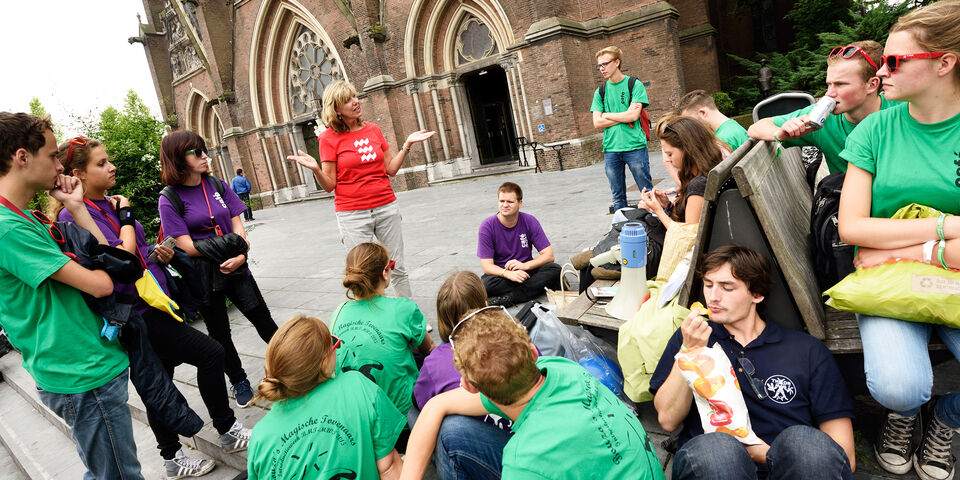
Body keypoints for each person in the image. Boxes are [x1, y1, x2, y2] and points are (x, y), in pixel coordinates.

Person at [54, 136, 253, 477]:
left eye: (108, 160)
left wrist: (156, 251)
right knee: (209, 353)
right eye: (101, 163)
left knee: (159, 380)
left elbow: (133, 253)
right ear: (78, 174)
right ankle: (226, 428)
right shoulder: (73, 216)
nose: (112, 166)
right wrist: (128, 219)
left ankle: (173, 457)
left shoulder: (106, 204)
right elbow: (119, 260)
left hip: (151, 302)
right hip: (135, 313)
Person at [837, 3, 960, 478]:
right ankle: (905, 415)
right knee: (899, 387)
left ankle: (947, 416)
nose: (881, 71)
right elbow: (852, 229)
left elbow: (872, 239)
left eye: (894, 61)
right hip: (887, 280)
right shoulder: (876, 128)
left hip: (900, 262)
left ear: (943, 62)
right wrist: (946, 228)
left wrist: (910, 248)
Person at [0, 112, 143, 479]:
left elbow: (108, 260)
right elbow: (103, 283)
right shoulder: (7, 228)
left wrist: (77, 206)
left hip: (87, 363)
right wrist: (102, 267)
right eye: (51, 155)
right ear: (22, 157)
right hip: (78, 371)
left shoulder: (26, 218)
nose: (60, 165)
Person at [650, 244, 856, 479]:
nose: (713, 297)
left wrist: (767, 455)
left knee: (803, 443)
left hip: (791, 470)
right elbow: (667, 420)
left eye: (727, 287)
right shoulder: (693, 337)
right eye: (708, 285)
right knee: (717, 449)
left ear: (757, 294)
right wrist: (689, 352)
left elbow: (844, 457)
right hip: (717, 469)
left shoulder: (807, 350)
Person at [400, 307, 665, 480]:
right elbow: (437, 405)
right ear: (534, 353)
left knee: (426, 419)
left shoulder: (522, 464)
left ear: (468, 385)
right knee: (449, 427)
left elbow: (433, 405)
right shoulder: (560, 368)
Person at [158, 130, 279, 409]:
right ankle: (238, 379)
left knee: (263, 320)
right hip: (205, 277)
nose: (205, 156)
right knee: (219, 332)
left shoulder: (216, 184)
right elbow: (187, 246)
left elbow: (238, 226)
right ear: (178, 158)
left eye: (204, 150)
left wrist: (240, 253)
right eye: (196, 152)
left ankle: (293, 365)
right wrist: (231, 245)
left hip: (237, 268)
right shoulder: (170, 198)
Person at [286, 80, 435, 299]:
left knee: (398, 266)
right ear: (336, 109)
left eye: (355, 96)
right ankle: (372, 322)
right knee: (362, 272)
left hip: (386, 207)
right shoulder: (328, 138)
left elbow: (391, 169)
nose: (356, 102)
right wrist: (316, 169)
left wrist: (407, 145)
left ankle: (408, 316)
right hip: (352, 214)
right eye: (347, 100)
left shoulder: (373, 130)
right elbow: (330, 186)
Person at [248, 314, 405, 479]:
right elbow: (389, 467)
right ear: (324, 364)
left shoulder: (259, 437)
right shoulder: (357, 385)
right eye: (334, 344)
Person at [332, 242, 435, 448]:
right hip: (403, 424)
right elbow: (429, 348)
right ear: (385, 273)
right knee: (424, 354)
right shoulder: (403, 308)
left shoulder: (339, 312)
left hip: (358, 422)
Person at [411, 271, 512, 479]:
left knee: (418, 415)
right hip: (518, 445)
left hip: (506, 458)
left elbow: (420, 402)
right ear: (486, 305)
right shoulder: (516, 340)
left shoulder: (437, 361)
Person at [747, 40, 898, 174]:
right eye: (829, 84)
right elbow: (756, 127)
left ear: (872, 85)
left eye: (840, 84)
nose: (829, 93)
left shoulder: (901, 110)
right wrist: (779, 134)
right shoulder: (823, 120)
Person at [477, 182, 561, 307]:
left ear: (520, 203)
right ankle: (535, 288)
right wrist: (509, 274)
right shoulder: (487, 226)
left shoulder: (529, 221)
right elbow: (487, 266)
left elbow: (549, 255)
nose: (505, 205)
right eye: (501, 201)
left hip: (527, 271)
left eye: (510, 202)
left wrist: (525, 266)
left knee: (555, 269)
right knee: (484, 285)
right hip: (502, 275)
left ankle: (508, 298)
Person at [591, 45, 653, 212]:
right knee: (618, 196)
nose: (602, 68)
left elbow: (633, 117)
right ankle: (622, 230)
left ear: (617, 62)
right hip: (610, 149)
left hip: (635, 147)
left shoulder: (634, 84)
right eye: (599, 66)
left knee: (647, 192)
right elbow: (597, 122)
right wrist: (623, 115)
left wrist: (607, 115)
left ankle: (654, 225)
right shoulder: (600, 91)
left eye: (605, 64)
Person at [639, 116, 723, 231]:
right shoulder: (707, 172)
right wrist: (667, 205)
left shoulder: (699, 184)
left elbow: (687, 237)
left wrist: (657, 210)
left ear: (687, 150)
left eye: (670, 154)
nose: (668, 160)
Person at [677, 89, 750, 151]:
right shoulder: (732, 126)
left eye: (691, 121)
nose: (690, 127)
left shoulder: (722, 141)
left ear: (702, 113)